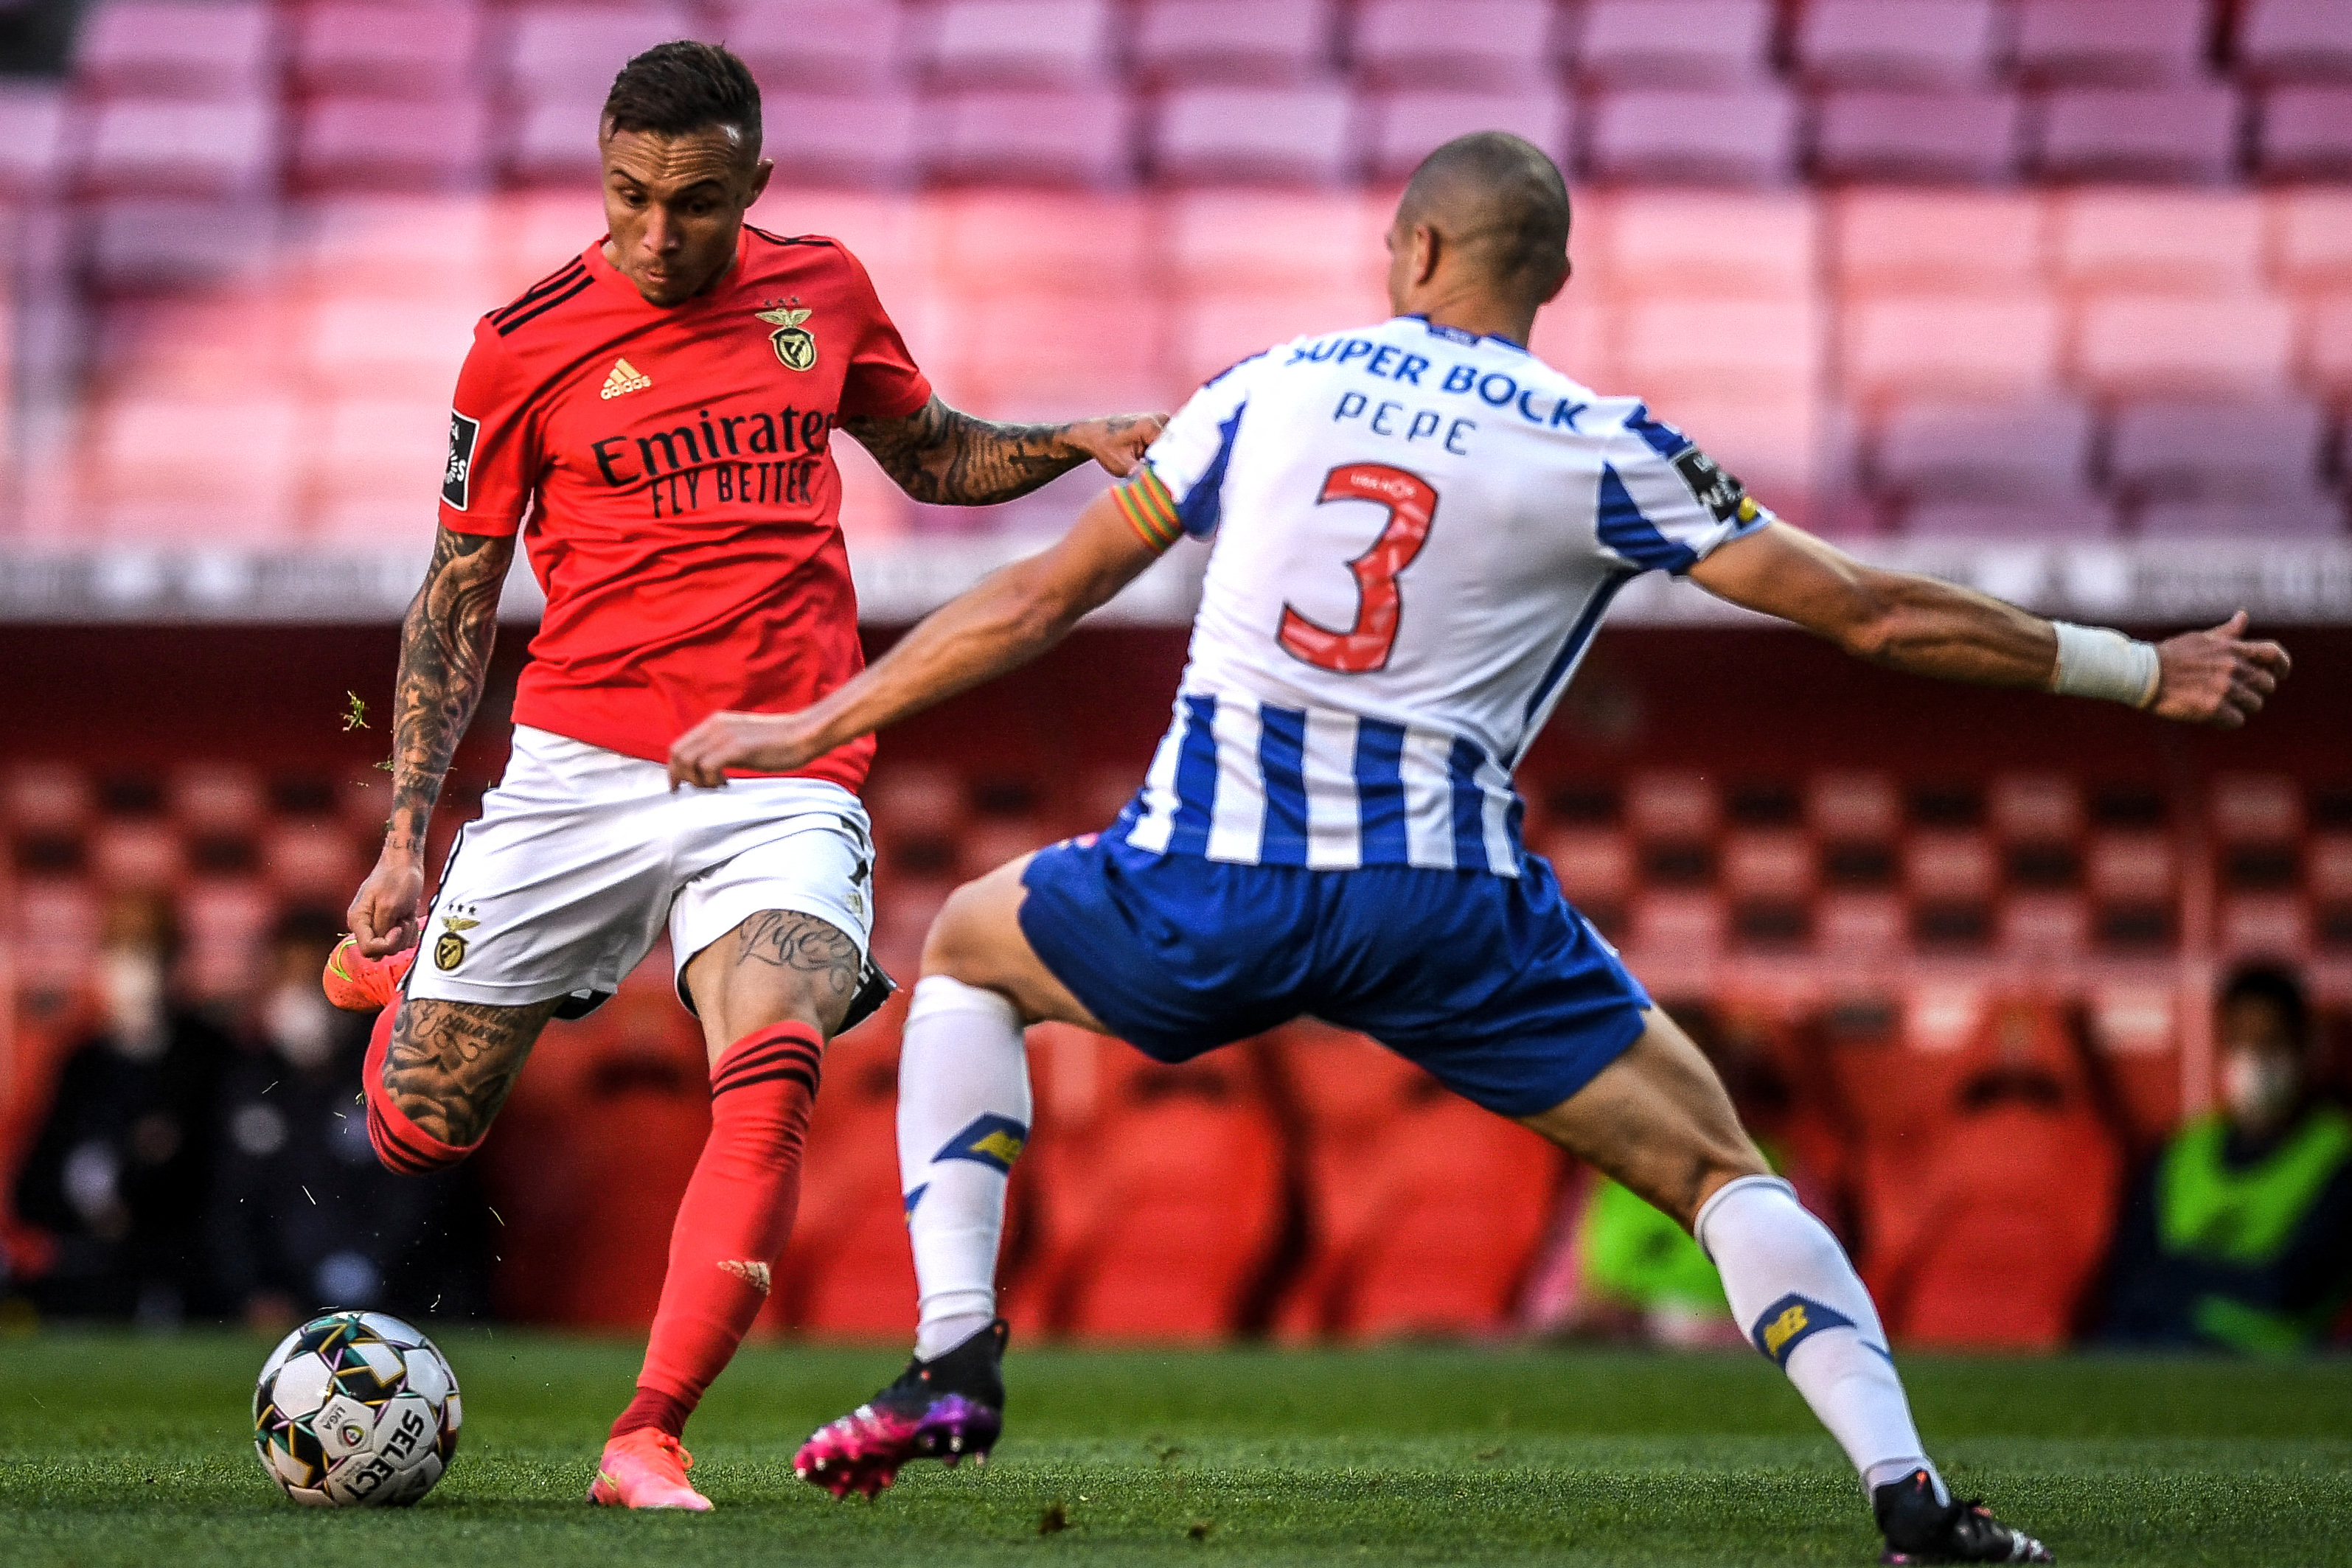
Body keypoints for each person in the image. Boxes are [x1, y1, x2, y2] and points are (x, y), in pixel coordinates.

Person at [672, 130, 2294, 1558]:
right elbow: (1866, 613)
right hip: (1448, 907)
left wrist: (807, 725)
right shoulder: (1606, 441)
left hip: (1204, 882)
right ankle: (1906, 1495)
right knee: (1716, 1168)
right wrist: (2137, 667)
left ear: (1420, 249)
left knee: (965, 943)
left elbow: (1038, 595)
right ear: (1553, 273)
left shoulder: (1273, 382)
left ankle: (953, 1350)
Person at [329, 40, 1163, 1510]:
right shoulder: (519, 343)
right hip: (579, 766)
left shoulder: (823, 292)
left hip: (784, 760)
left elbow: (933, 452)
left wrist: (1073, 442)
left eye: (696, 204)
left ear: (752, 187)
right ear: (602, 176)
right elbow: (453, 595)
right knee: (416, 1125)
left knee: (770, 1055)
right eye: (631, 198)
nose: (659, 235)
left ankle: (646, 1432)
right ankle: (422, 986)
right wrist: (406, 838)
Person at [212, 910, 490, 1333]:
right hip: (278, 1307)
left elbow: (421, 1198)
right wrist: (251, 1292)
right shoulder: (246, 1081)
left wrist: (378, 1279)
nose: (301, 999)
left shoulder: (393, 1066)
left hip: (396, 1303)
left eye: (313, 982)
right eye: (290, 981)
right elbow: (230, 1203)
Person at [2104, 964, 2351, 1353]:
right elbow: (2129, 1272)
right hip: (2153, 1345)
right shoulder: (2181, 1151)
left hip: (2269, 1369)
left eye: (2273, 1041)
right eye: (2241, 1042)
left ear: (2305, 1045)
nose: (2258, 1059)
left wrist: (2182, 1271)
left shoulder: (2338, 1155)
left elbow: (2290, 1286)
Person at [12, 892, 230, 1324]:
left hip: (187, 1275)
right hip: (95, 1273)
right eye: (125, 959)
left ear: (176, 966)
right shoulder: (83, 1064)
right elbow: (32, 1188)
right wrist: (90, 1194)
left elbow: (230, 1186)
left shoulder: (210, 1057)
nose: (140, 977)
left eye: (153, 959)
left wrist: (144, 1180)